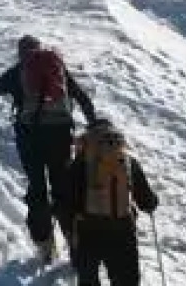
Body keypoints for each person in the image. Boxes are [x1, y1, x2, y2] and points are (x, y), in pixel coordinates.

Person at [0, 34, 100, 264]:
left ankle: (44, 246)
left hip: (30, 139)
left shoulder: (17, 72)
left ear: (20, 53)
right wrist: (94, 124)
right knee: (63, 187)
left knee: (38, 189)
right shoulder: (57, 69)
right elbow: (82, 98)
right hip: (60, 135)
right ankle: (75, 242)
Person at [66, 117, 159, 285]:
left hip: (89, 230)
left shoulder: (80, 163)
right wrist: (152, 202)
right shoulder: (129, 161)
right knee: (126, 279)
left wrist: (71, 226)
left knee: (88, 279)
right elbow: (146, 200)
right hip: (122, 229)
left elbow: (68, 199)